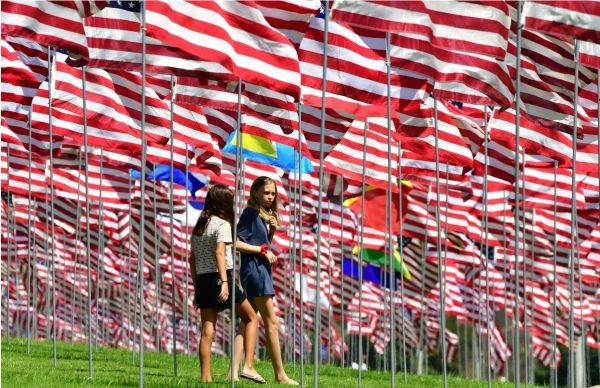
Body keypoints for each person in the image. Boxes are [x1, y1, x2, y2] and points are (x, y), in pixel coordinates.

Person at [189, 184, 265, 383]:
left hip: (203, 279)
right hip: (221, 277)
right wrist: (224, 282)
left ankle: (206, 377)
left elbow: (192, 259)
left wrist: (197, 288)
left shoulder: (200, 225)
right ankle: (248, 365)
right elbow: (220, 253)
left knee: (207, 331)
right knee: (251, 317)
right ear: (223, 203)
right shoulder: (223, 224)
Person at [237, 176, 299, 385]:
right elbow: (236, 242)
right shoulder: (251, 213)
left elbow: (262, 242)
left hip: (259, 269)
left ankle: (233, 372)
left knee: (247, 320)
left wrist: (271, 231)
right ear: (255, 192)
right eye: (266, 192)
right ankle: (280, 374)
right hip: (256, 271)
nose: (271, 197)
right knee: (271, 322)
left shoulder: (263, 216)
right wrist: (261, 251)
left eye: (273, 193)